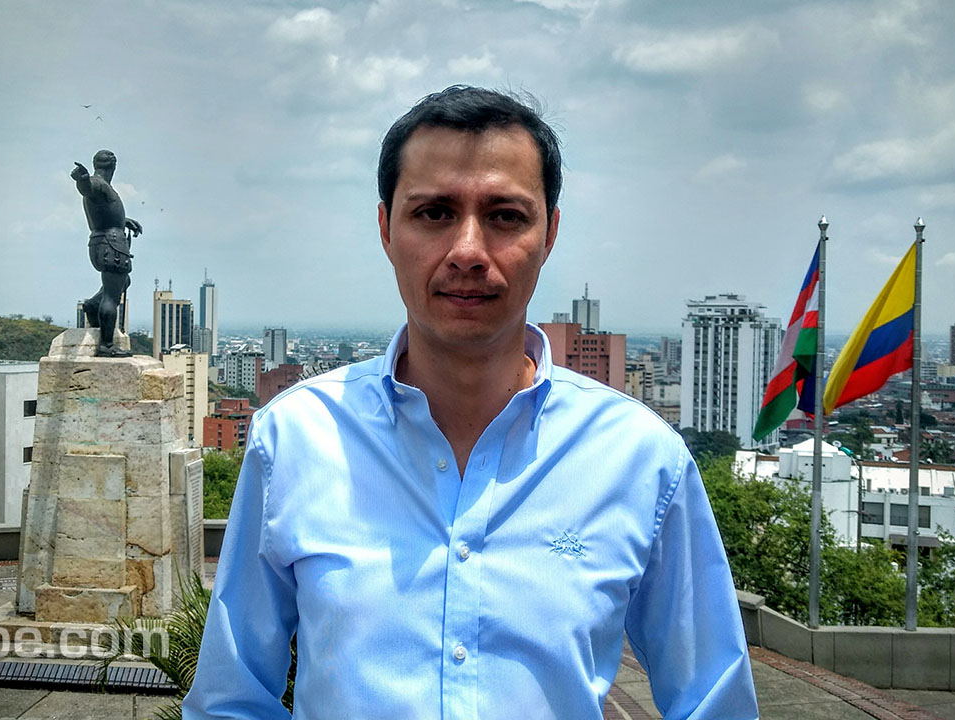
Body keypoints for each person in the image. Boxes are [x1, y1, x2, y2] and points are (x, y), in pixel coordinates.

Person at [183, 86, 758, 719]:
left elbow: (714, 701)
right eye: (434, 212)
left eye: (505, 216)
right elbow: (231, 700)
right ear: (386, 229)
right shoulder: (297, 438)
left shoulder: (640, 459)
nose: (467, 252)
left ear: (550, 233)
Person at [73, 149, 143, 357]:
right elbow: (88, 189)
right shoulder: (99, 183)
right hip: (111, 245)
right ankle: (107, 345)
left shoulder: (103, 186)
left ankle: (93, 304)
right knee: (112, 296)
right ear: (113, 166)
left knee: (123, 282)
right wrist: (82, 180)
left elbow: (103, 212)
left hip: (101, 242)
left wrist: (123, 221)